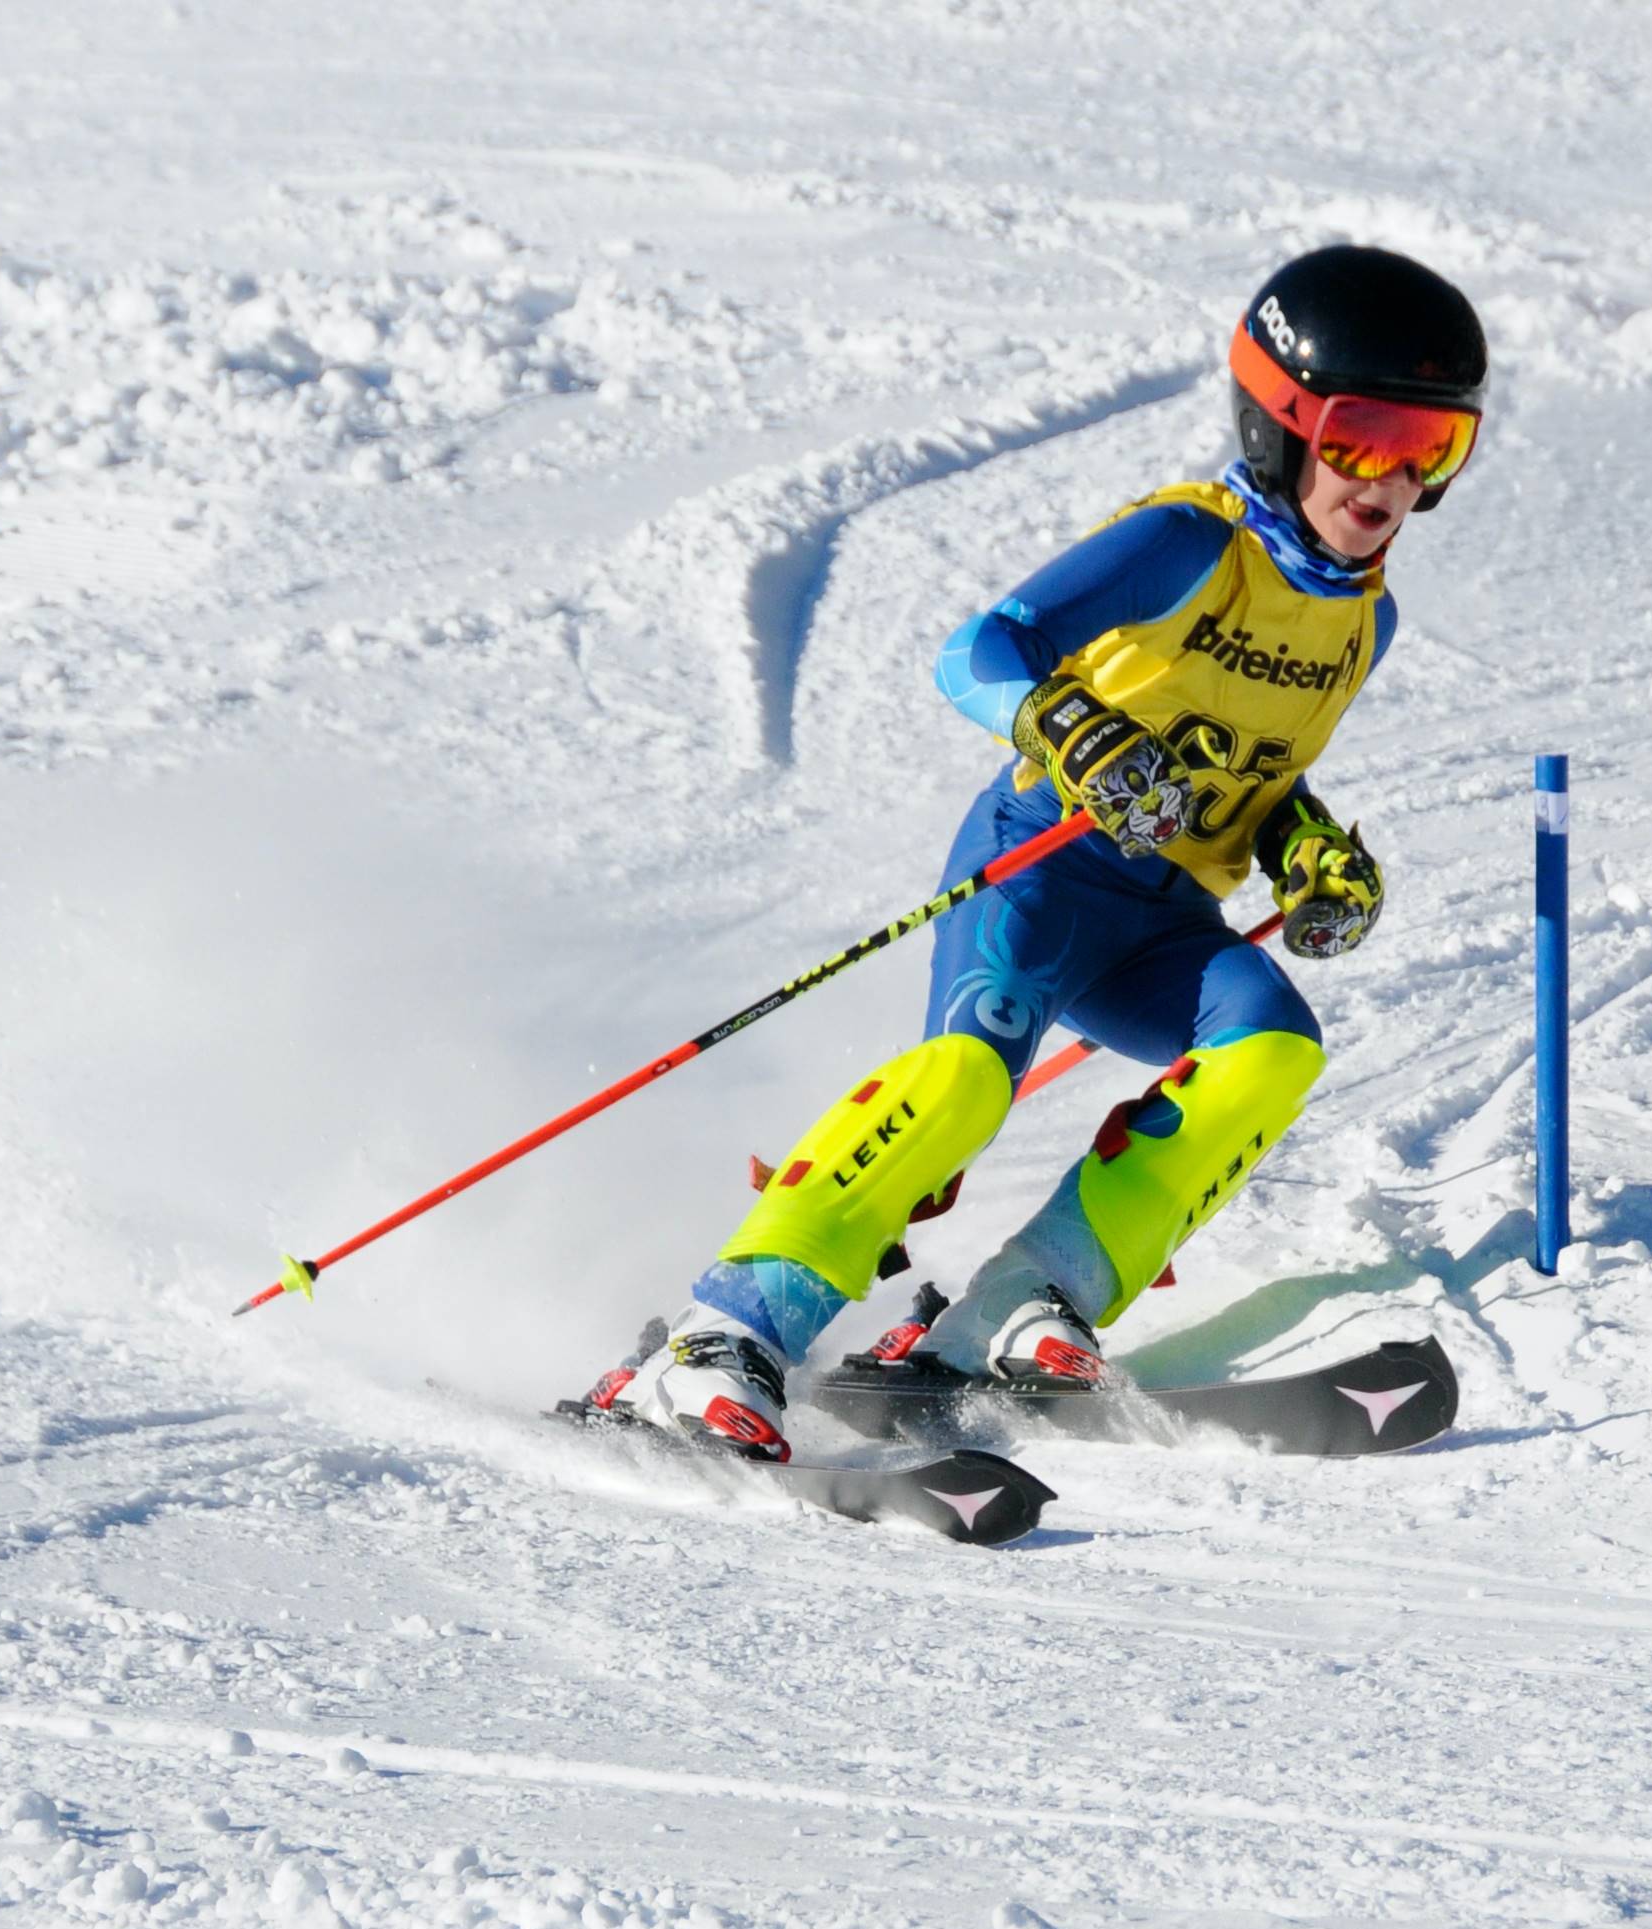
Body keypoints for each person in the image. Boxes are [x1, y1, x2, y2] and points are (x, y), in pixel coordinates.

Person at [582, 244, 1490, 1459]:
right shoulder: (1190, 541)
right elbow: (980, 650)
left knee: (1274, 1044)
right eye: (1362, 437)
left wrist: (1304, 845)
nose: (1394, 477)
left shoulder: (1365, 618)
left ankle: (1023, 1301)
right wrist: (1073, 728)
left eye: (1432, 444)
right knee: (967, 1080)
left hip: (1163, 920)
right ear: (1278, 424)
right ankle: (720, 1336)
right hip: (1043, 869)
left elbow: (1259, 768)